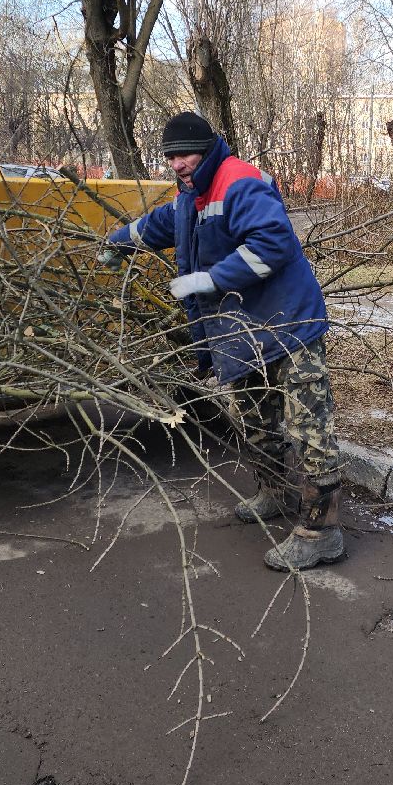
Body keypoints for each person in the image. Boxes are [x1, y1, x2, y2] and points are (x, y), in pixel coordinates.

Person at [101, 112, 347, 571]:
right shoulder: (190, 197)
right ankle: (276, 492)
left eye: (185, 154)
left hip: (287, 324)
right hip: (245, 332)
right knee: (255, 418)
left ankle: (321, 532)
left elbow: (273, 245)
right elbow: (156, 226)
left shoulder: (239, 182)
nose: (177, 164)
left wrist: (207, 281)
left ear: (208, 148)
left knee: (309, 428)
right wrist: (118, 242)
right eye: (170, 156)